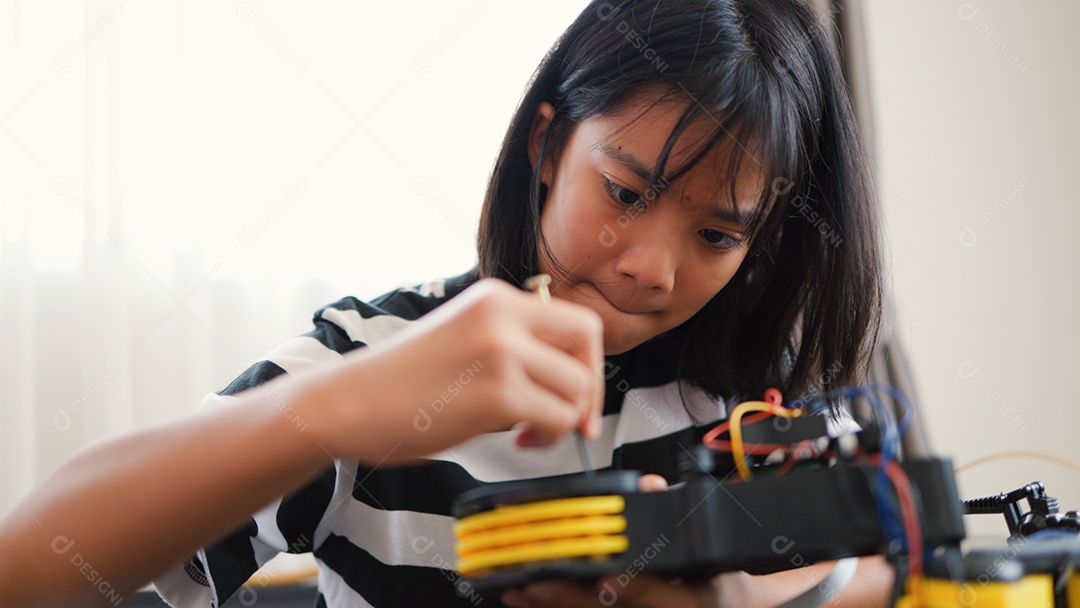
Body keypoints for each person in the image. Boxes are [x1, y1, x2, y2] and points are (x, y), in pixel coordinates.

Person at [0, 0, 895, 606]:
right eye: (625, 192)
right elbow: (30, 573)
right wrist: (330, 411)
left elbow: (872, 578)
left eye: (718, 236)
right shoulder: (382, 352)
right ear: (549, 147)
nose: (653, 269)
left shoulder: (765, 414)